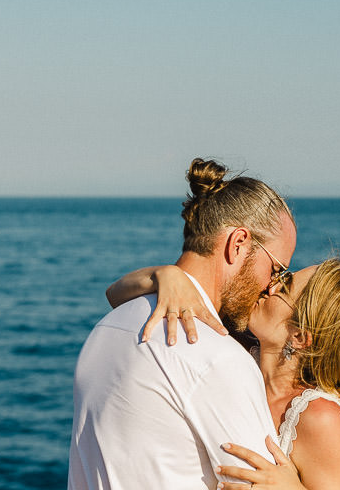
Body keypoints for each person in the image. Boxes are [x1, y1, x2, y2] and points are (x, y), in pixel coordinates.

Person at [67, 158, 297, 490]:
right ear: (238, 243)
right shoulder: (219, 358)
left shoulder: (108, 327)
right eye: (277, 270)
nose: (273, 287)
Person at [110, 257, 340, 490]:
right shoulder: (232, 349)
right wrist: (167, 276)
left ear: (299, 336)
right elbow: (116, 296)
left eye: (285, 287)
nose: (270, 286)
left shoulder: (320, 418)